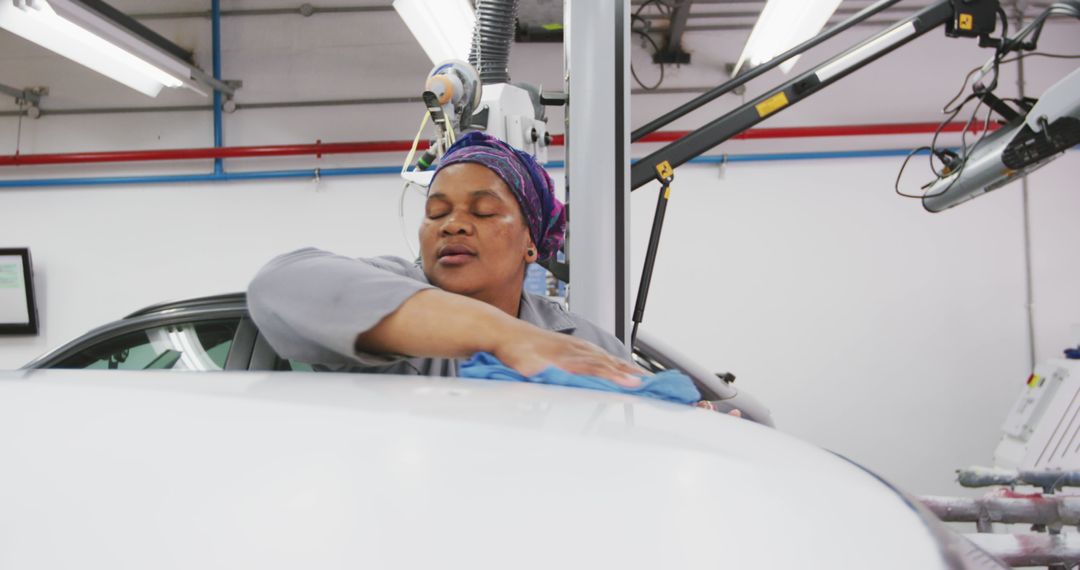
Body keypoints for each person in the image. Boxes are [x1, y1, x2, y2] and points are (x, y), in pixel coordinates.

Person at [247, 132, 644, 386]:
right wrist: (505, 336)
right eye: (436, 213)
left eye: (484, 211)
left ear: (531, 242)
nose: (452, 225)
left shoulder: (585, 342)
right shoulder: (396, 292)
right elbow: (278, 284)